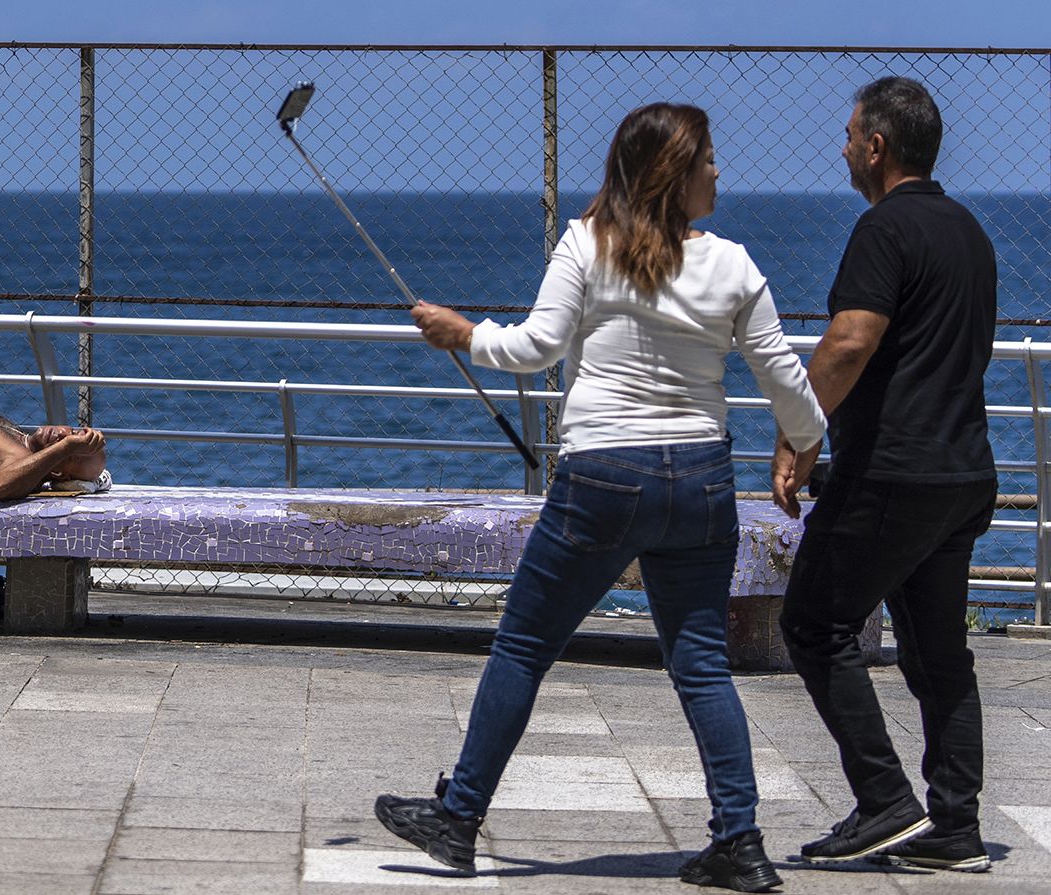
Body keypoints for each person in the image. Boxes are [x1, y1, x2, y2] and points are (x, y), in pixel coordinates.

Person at [374, 103, 825, 892]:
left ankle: (459, 816)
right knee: (703, 664)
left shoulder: (587, 245)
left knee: (524, 644)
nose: (719, 170)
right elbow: (784, 378)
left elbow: (536, 348)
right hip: (701, 480)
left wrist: (463, 333)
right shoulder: (735, 265)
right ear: (671, 173)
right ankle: (740, 839)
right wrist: (804, 445)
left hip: (602, 477)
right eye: (707, 159)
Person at [774, 77, 998, 873]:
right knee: (939, 654)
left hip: (893, 475)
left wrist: (798, 433)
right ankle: (955, 826)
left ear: (877, 146)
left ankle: (883, 799)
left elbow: (847, 343)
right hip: (963, 473)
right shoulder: (969, 230)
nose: (840, 148)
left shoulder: (883, 228)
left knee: (813, 622)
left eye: (847, 134)